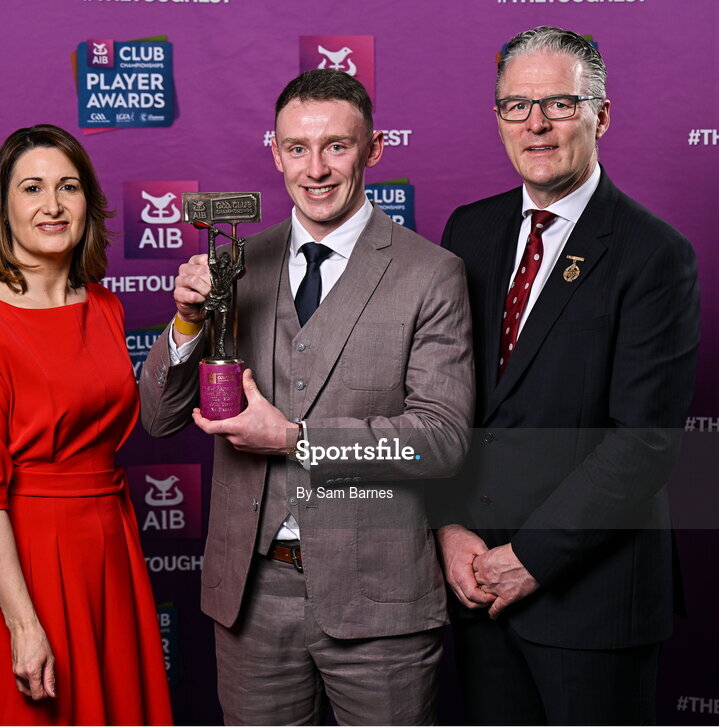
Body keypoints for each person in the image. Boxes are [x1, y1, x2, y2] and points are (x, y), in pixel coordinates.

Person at [139, 69, 474, 725]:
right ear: (275, 152)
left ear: (373, 150)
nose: (315, 169)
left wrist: (295, 439)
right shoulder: (237, 264)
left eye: (337, 147)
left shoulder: (431, 274)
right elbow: (158, 417)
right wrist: (185, 321)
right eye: (297, 148)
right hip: (254, 598)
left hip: (381, 602)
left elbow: (441, 439)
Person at [433, 26, 700, 724]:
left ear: (601, 114)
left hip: (594, 604)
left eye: (558, 102)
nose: (537, 124)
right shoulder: (469, 232)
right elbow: (445, 401)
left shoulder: (654, 256)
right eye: (516, 106)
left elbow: (643, 442)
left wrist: (532, 557)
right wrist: (450, 527)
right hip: (477, 587)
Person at [0, 125, 173, 725]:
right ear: (3, 209)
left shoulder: (104, 305)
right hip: (16, 564)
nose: (52, 205)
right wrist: (24, 625)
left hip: (107, 547)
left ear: (88, 204)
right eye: (32, 188)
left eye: (68, 187)